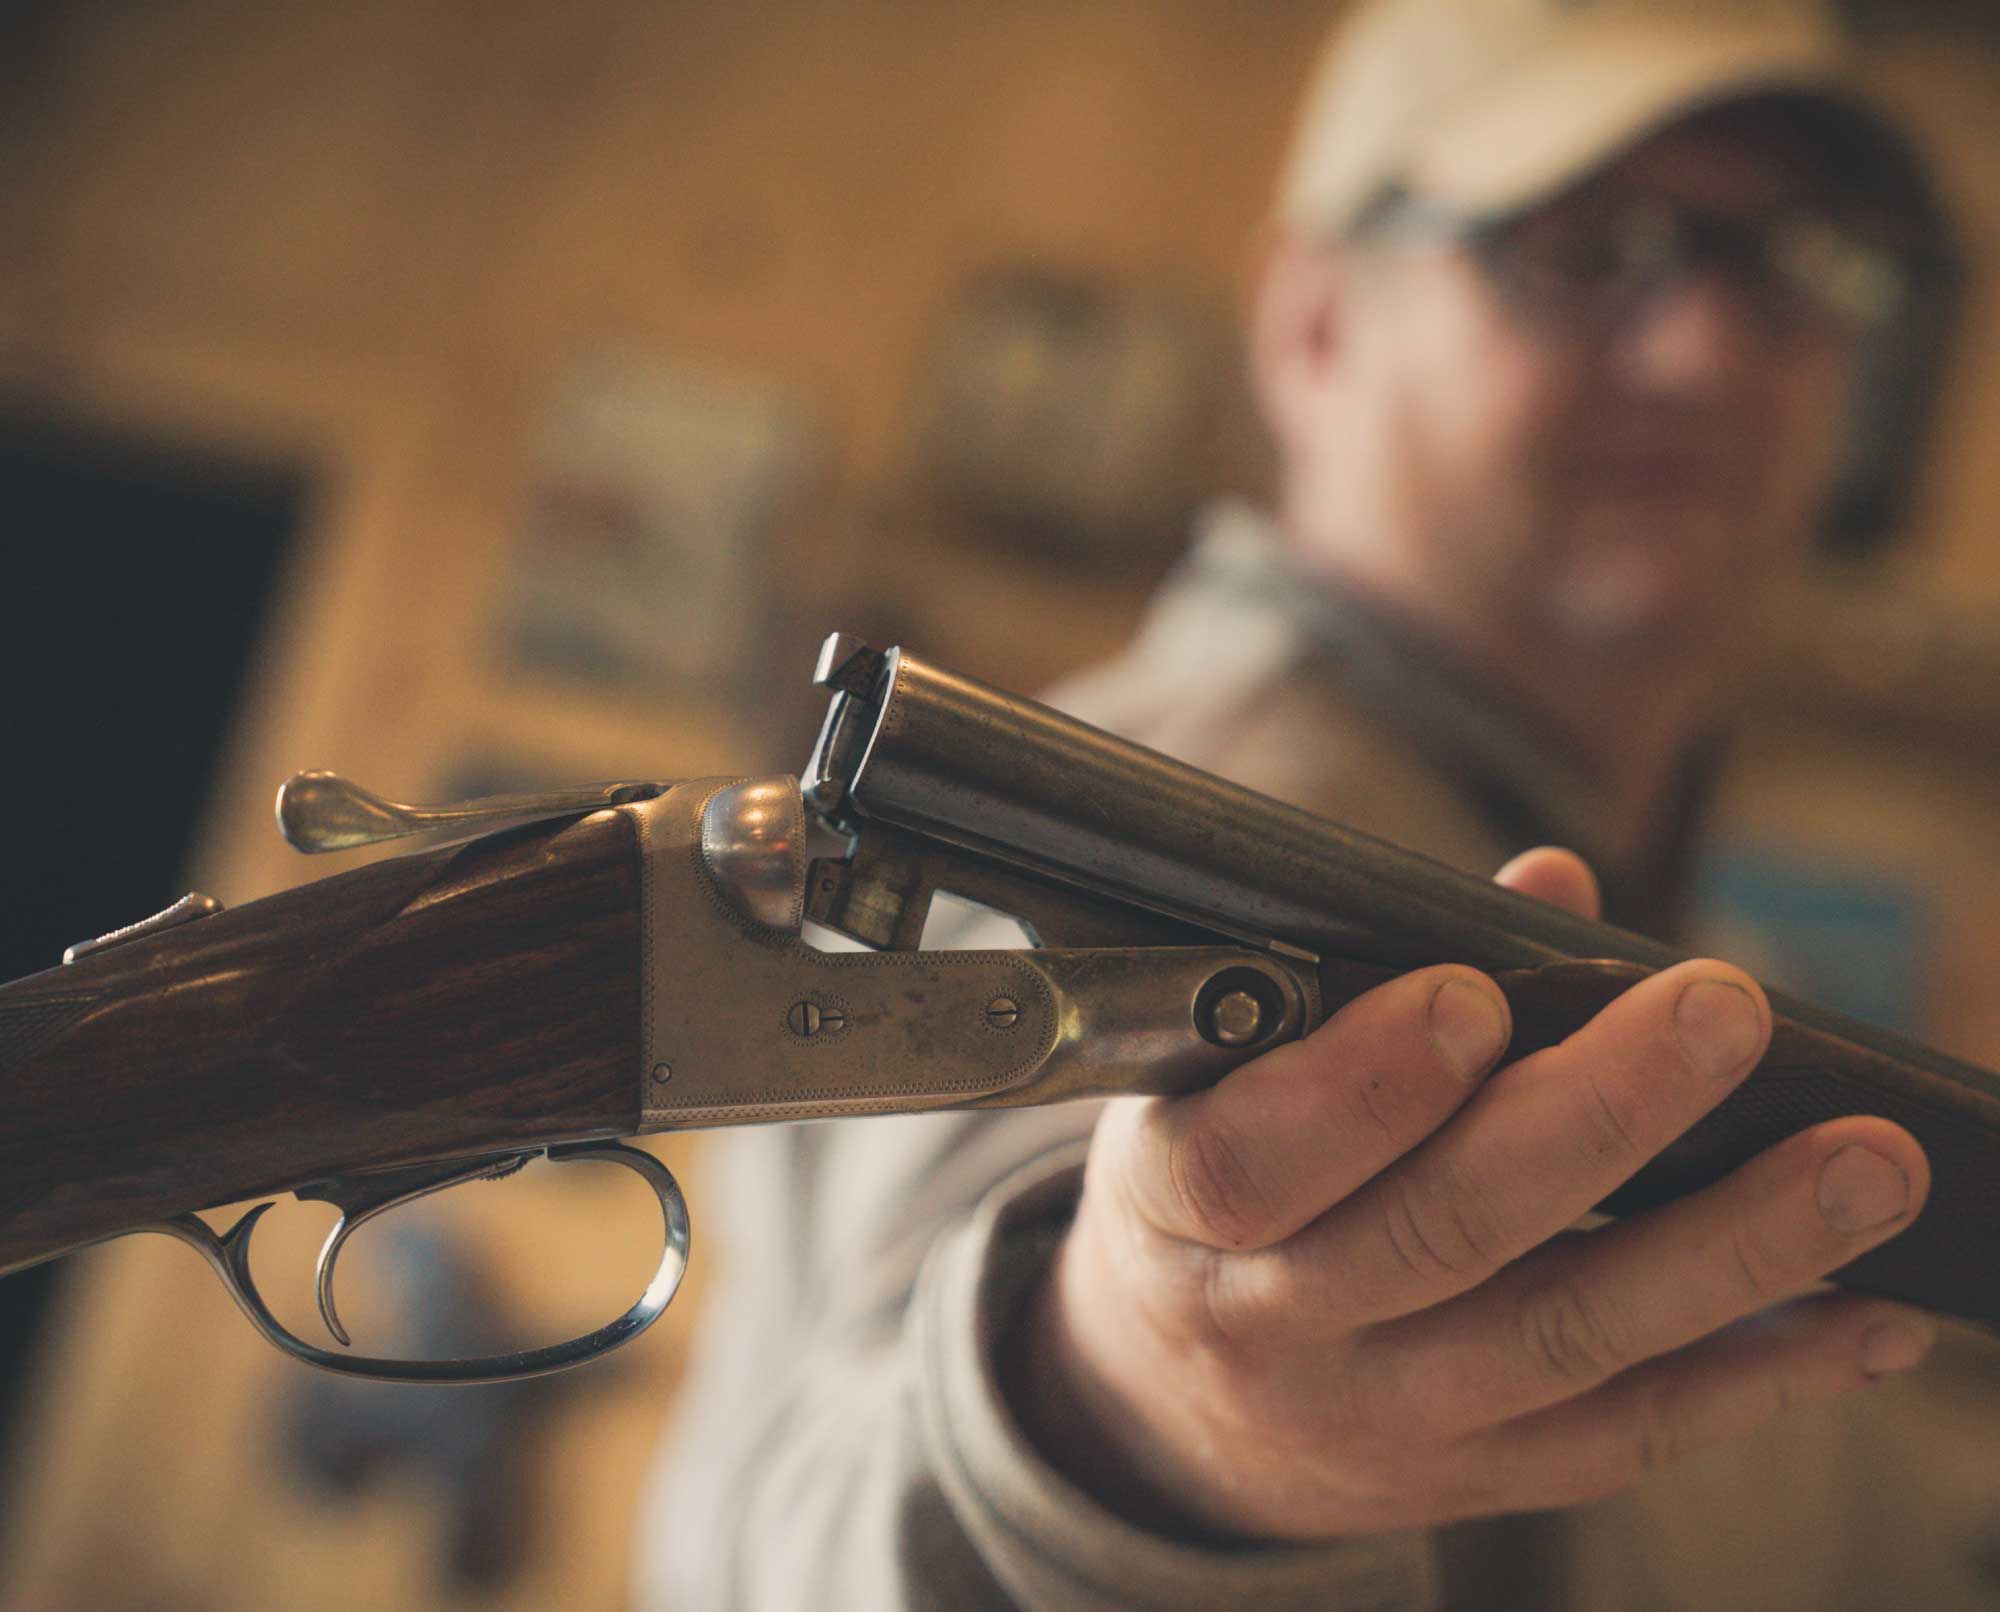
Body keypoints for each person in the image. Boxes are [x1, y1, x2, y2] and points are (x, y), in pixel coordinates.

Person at [639, 2, 1983, 1607]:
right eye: (1581, 247)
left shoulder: (1695, 928)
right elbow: (807, 1555)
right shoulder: (1137, 829)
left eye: (1796, 261)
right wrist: (1120, 1436)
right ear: (1313, 325)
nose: (1707, 349)